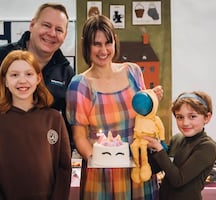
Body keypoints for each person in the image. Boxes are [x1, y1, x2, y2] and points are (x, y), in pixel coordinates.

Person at [0, 3, 75, 168]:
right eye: (46, 25)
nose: (51, 33)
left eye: (59, 29)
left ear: (65, 36)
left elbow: (67, 128)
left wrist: (60, 164)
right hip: (0, 166)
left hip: (43, 170)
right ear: (32, 25)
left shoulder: (66, 73)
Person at [66, 14, 163, 200]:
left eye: (108, 43)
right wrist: (100, 162)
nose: (103, 50)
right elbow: (79, 137)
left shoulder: (133, 71)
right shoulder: (79, 85)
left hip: (138, 171)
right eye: (97, 44)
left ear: (115, 42)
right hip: (102, 177)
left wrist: (153, 100)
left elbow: (144, 118)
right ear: (86, 45)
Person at [0, 50, 72, 199]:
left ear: (38, 78)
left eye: (29, 74)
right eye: (14, 75)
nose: (22, 80)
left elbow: (64, 169)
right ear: (5, 81)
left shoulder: (54, 119)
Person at [144, 91, 216, 200]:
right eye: (180, 117)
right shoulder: (177, 139)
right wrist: (150, 149)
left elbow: (178, 180)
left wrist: (159, 150)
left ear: (207, 117)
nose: (185, 123)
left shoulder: (207, 146)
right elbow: (157, 168)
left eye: (192, 116)